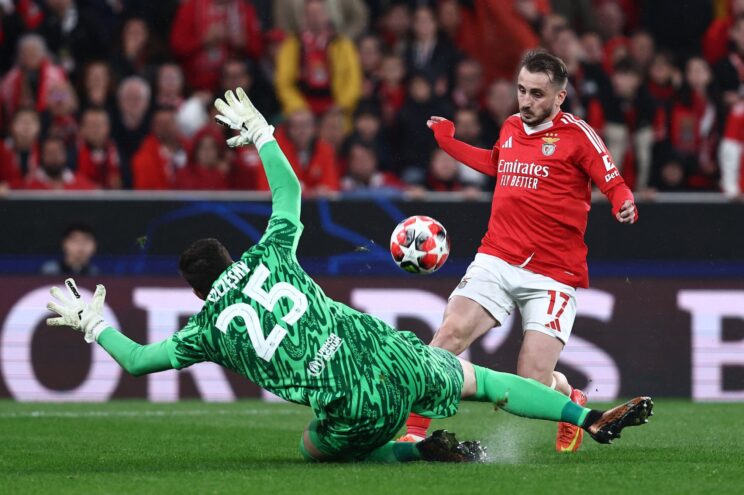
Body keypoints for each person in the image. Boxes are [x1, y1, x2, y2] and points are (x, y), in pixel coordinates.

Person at [46, 88, 653, 463]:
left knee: (312, 446)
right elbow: (289, 192)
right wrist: (262, 134)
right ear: (230, 259)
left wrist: (94, 325)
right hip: (391, 353)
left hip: (352, 400)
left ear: (198, 290)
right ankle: (586, 417)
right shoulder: (269, 255)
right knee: (490, 381)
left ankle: (412, 454)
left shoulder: (207, 328)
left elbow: (139, 361)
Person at [399, 50, 639, 454]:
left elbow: (612, 181)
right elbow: (496, 163)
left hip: (553, 273)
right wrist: (448, 142)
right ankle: (414, 431)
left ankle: (568, 396)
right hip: (496, 257)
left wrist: (623, 203)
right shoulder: (511, 125)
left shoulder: (578, 135)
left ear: (559, 97)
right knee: (449, 334)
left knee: (531, 382)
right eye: (522, 90)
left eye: (537, 94)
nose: (526, 101)